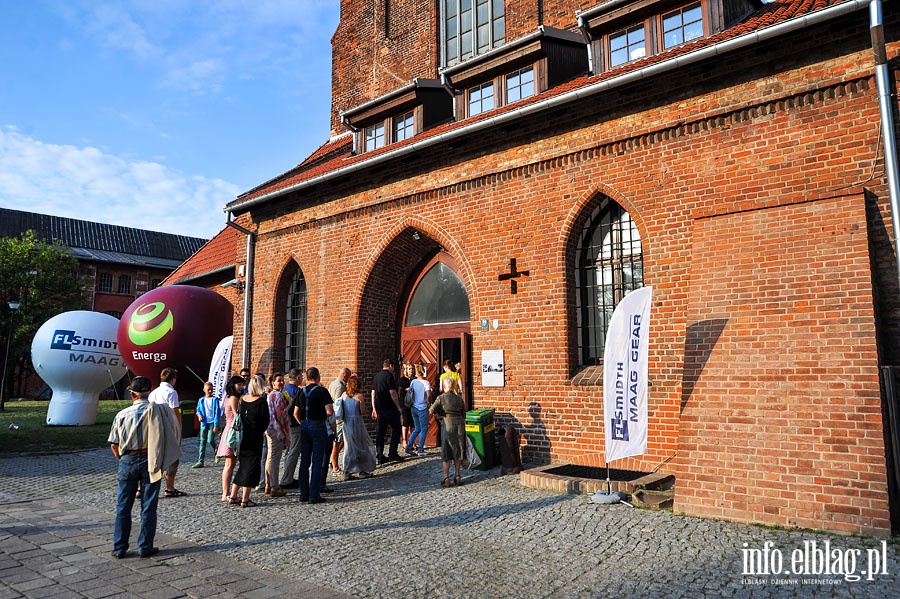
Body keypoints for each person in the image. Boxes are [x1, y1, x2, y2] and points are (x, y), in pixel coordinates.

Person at [108, 376, 162, 558]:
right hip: (150, 459)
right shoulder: (157, 412)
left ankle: (119, 548)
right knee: (148, 506)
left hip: (128, 459)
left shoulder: (122, 415)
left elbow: (113, 444)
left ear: (132, 393)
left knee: (123, 506)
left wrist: (122, 459)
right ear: (150, 391)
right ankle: (145, 546)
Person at [228, 374, 270, 507]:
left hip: (242, 436)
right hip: (254, 437)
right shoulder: (261, 401)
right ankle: (245, 499)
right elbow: (265, 421)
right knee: (251, 468)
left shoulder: (242, 399)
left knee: (242, 466)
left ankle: (233, 496)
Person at [294, 367, 334, 504]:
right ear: (318, 377)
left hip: (304, 425)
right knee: (318, 461)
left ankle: (303, 493)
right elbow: (329, 411)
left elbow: (295, 413)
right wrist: (321, 416)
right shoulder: (322, 391)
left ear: (306, 377)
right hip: (318, 425)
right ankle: (314, 494)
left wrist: (303, 423)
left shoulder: (301, 392)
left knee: (305, 460)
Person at [149, 367, 185, 498]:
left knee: (155, 456)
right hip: (169, 427)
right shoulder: (171, 392)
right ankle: (169, 488)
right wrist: (179, 426)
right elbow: (175, 410)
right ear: (173, 379)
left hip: (155, 427)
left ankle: (143, 488)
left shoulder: (154, 392)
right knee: (173, 456)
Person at [335, 374, 376, 479]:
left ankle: (347, 471)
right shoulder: (359, 396)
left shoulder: (344, 395)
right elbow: (362, 411)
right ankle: (362, 471)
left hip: (346, 423)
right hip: (356, 421)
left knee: (349, 447)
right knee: (360, 445)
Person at [430, 376, 467, 487]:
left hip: (447, 424)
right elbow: (464, 414)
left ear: (445, 386)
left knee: (446, 451)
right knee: (458, 450)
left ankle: (446, 478)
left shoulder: (441, 398)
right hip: (459, 425)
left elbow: (431, 410)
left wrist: (439, 416)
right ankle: (457, 476)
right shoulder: (459, 398)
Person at [216, 375, 246, 502]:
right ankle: (226, 492)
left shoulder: (229, 397)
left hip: (230, 429)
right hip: (233, 431)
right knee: (229, 464)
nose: (241, 387)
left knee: (230, 464)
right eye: (239, 384)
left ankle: (226, 492)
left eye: (242, 384)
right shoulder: (233, 398)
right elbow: (237, 416)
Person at [371, 358, 404, 463]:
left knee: (381, 432)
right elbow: (392, 392)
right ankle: (393, 453)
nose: (393, 369)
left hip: (380, 408)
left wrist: (374, 408)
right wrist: (399, 407)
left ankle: (380, 455)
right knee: (397, 428)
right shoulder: (389, 376)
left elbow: (373, 393)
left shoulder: (377, 376)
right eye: (393, 367)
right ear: (390, 365)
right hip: (390, 408)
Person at [264, 372, 291, 497]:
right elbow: (280, 415)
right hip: (276, 429)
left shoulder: (270, 395)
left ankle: (268, 483)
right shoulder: (279, 395)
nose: (281, 382)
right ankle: (275, 486)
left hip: (269, 428)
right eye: (278, 380)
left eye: (282, 380)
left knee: (270, 457)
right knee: (275, 458)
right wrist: (290, 405)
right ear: (273, 382)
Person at [279, 368, 304, 489]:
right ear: (298, 378)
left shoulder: (285, 390)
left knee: (289, 452)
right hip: (295, 425)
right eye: (301, 377)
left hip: (286, 424)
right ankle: (286, 479)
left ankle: (287, 477)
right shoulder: (298, 391)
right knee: (293, 452)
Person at [405, 364, 431, 455]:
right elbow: (429, 395)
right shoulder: (426, 383)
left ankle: (409, 446)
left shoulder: (413, 382)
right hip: (422, 407)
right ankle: (420, 449)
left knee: (417, 428)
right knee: (424, 429)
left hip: (414, 407)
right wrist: (429, 402)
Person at [193, 381, 221, 468]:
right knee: (202, 442)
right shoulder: (201, 400)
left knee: (210, 440)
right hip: (204, 423)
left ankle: (217, 451)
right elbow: (198, 410)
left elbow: (217, 412)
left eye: (211, 390)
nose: (210, 391)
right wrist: (199, 415)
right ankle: (201, 461)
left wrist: (216, 425)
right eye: (208, 389)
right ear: (204, 390)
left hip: (212, 422)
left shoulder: (215, 400)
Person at [328, 368, 350, 473]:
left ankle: (333, 460)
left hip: (337, 417)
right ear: (345, 376)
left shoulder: (333, 383)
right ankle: (334, 462)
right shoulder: (340, 386)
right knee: (339, 440)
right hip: (338, 417)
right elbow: (338, 403)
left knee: (341, 440)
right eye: (348, 377)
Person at [399, 363, 414, 450]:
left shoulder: (414, 380)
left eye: (412, 369)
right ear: (406, 370)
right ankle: (404, 440)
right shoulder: (403, 380)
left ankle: (412, 441)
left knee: (413, 423)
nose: (411, 371)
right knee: (405, 421)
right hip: (405, 404)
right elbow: (401, 391)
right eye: (409, 369)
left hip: (413, 404)